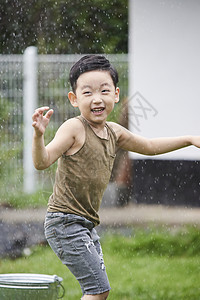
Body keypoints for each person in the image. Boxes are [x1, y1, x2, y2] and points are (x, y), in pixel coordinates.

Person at [32, 54, 200, 300]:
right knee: (98, 291)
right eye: (87, 93)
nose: (97, 98)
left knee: (100, 291)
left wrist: (188, 139)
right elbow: (42, 162)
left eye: (104, 90)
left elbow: (151, 146)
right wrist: (38, 137)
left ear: (116, 94)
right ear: (74, 99)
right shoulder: (74, 128)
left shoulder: (115, 132)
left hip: (86, 224)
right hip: (64, 223)